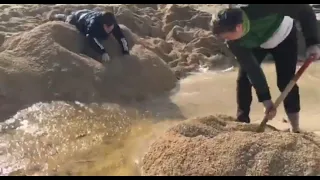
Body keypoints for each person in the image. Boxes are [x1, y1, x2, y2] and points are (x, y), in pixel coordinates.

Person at [211, 4, 320, 133]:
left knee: (286, 81)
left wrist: (312, 43)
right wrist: (266, 100)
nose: (226, 41)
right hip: (257, 44)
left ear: (238, 27)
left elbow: (304, 9)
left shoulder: (263, 8)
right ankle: (242, 123)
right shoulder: (234, 42)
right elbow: (252, 68)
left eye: (227, 37)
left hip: (283, 36)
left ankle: (295, 129)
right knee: (244, 78)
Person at [53, 9, 130, 63]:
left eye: (111, 26)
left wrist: (125, 51)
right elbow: (91, 38)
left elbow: (121, 38)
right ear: (102, 24)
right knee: (69, 20)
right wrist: (103, 52)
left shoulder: (113, 25)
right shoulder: (93, 25)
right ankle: (62, 16)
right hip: (79, 17)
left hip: (89, 12)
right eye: (107, 26)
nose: (109, 29)